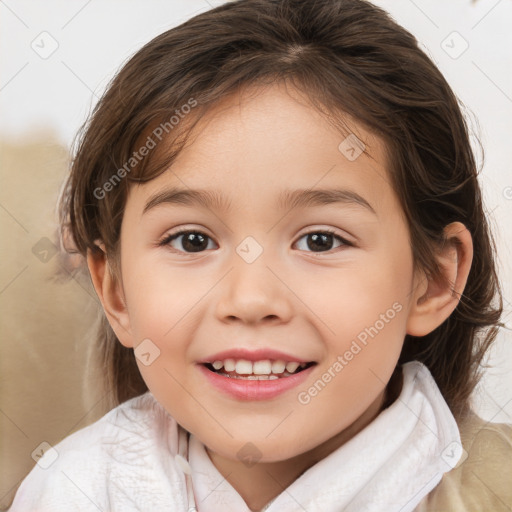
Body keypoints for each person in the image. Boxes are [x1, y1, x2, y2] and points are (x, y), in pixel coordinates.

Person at [8, 0, 511, 510]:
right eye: (192, 241)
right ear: (115, 292)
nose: (250, 299)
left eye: (320, 240)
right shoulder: (69, 492)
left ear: (432, 279)